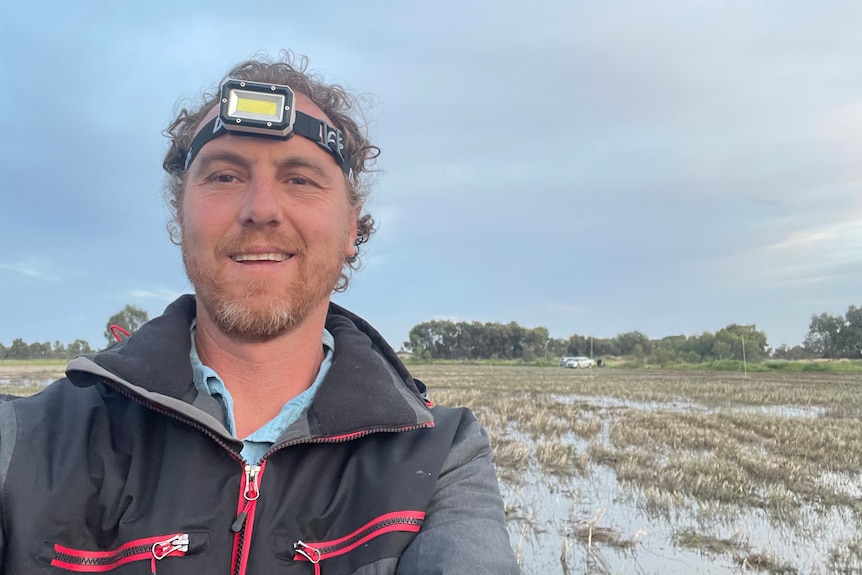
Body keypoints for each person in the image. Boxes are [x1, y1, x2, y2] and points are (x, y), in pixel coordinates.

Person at [0, 52, 518, 574]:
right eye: (224, 177)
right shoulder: (22, 440)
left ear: (351, 229)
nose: (261, 208)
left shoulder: (440, 456)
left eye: (301, 179)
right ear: (181, 214)